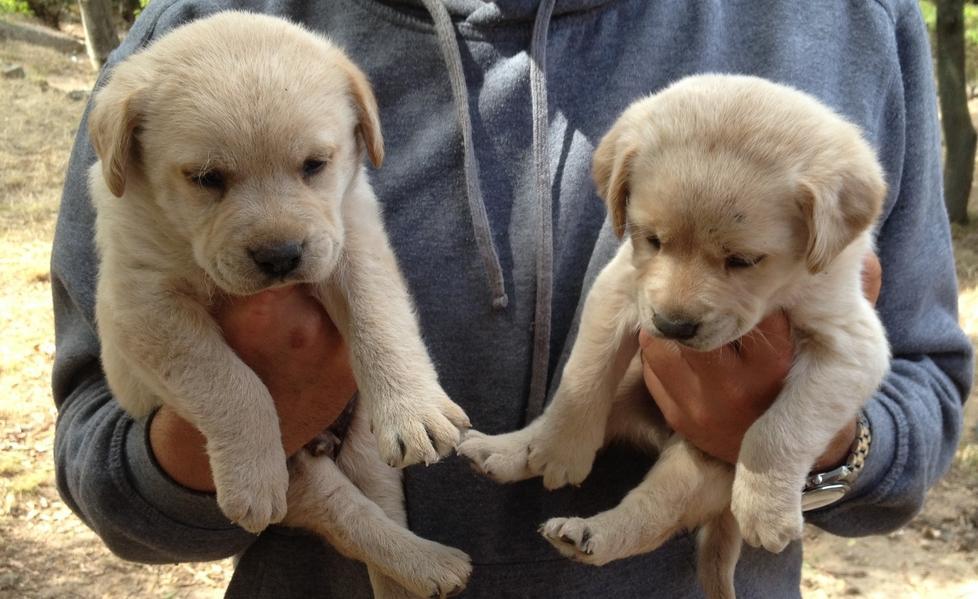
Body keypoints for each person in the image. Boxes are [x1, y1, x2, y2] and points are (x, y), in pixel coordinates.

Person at [51, 1, 972, 597]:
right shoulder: (190, 38)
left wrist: (807, 450)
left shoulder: (845, 23)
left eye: (313, 165)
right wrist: (236, 427)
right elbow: (102, 465)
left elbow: (921, 399)